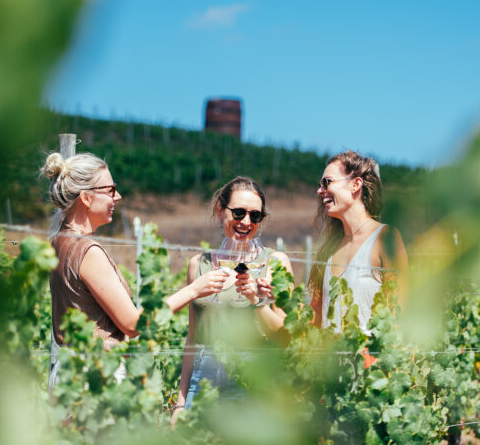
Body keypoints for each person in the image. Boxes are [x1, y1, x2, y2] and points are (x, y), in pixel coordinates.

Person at [41, 152, 226, 383]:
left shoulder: (60, 242)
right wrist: (194, 290)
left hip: (70, 372)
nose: (118, 197)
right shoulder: (88, 251)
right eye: (110, 190)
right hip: (95, 374)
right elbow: (133, 324)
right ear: (87, 198)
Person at [172, 177, 292, 424]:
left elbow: (286, 337)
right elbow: (193, 338)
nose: (246, 222)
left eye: (255, 216)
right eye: (238, 213)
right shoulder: (199, 264)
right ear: (220, 210)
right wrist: (181, 402)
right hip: (203, 377)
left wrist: (256, 301)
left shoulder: (274, 263)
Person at [308, 151, 408, 340]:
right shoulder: (328, 249)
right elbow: (314, 321)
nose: (320, 191)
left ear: (355, 185)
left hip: (371, 358)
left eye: (327, 182)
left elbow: (399, 316)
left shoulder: (385, 238)